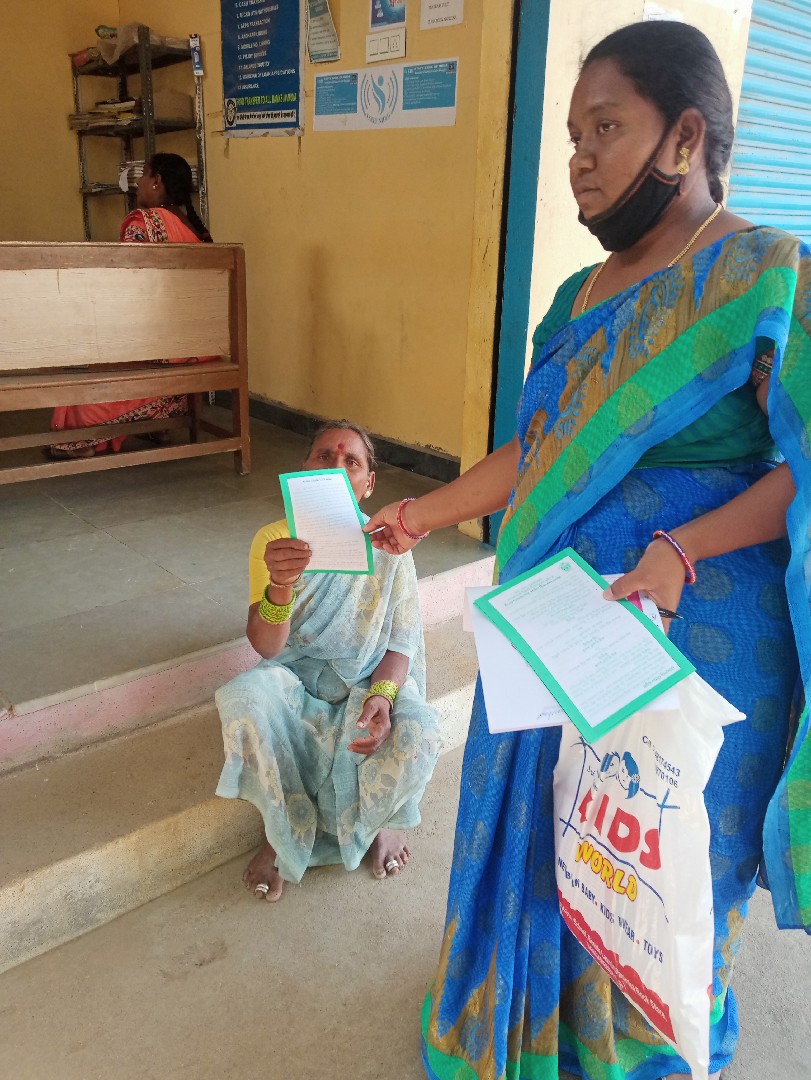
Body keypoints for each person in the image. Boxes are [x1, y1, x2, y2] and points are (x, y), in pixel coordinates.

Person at [364, 21, 810, 1080]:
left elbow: (802, 467)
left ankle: (639, 1044)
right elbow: (536, 451)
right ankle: (531, 1022)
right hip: (558, 620)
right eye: (571, 136)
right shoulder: (578, 297)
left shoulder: (764, 275)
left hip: (694, 623)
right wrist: (422, 514)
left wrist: (678, 550)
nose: (579, 158)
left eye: (604, 128)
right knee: (546, 831)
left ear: (684, 137)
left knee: (657, 853)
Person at [215, 421, 442, 901]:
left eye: (351, 461)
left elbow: (401, 642)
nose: (337, 468)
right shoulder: (275, 540)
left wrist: (383, 698)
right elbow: (266, 648)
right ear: (304, 469)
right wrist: (280, 585)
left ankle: (380, 819)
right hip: (296, 681)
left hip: (368, 681)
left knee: (422, 731)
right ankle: (282, 834)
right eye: (324, 456)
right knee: (244, 698)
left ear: (369, 483)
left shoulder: (390, 543)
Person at [50, 153, 213, 459]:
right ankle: (159, 422)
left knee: (85, 366)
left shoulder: (143, 223)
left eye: (143, 175)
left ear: (157, 181)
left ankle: (81, 440)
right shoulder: (193, 228)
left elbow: (127, 289)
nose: (138, 183)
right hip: (197, 347)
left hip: (161, 349)